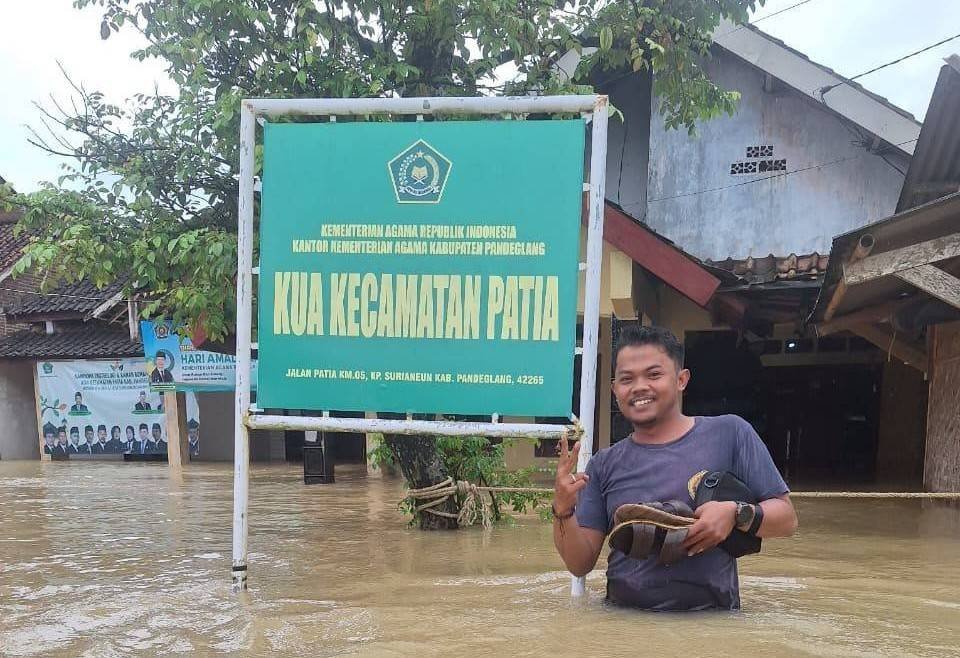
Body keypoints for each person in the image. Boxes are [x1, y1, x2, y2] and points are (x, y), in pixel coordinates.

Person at [552, 325, 797, 611]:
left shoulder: (731, 433)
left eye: (654, 375)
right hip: (622, 626)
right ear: (614, 389)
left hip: (713, 624)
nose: (640, 386)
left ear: (681, 379)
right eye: (627, 379)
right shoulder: (604, 464)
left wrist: (735, 513)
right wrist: (563, 509)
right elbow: (579, 563)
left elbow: (787, 520)